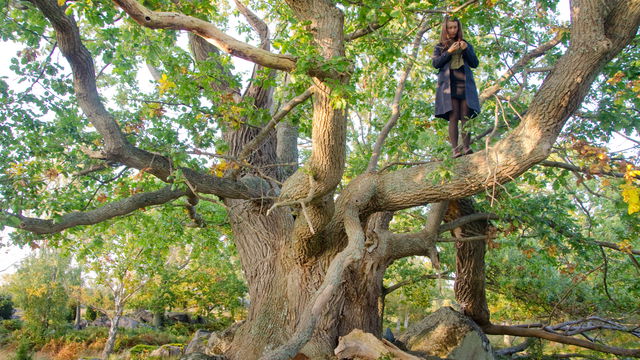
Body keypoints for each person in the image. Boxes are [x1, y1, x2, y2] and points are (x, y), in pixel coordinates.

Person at [432, 16, 480, 158]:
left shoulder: (466, 44)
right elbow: (436, 64)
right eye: (450, 27)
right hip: (448, 85)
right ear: (445, 29)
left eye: (455, 27)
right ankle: (455, 150)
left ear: (458, 28)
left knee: (466, 115)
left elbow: (474, 63)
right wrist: (449, 52)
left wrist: (466, 50)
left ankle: (466, 147)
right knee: (453, 116)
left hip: (465, 84)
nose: (453, 30)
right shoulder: (440, 46)